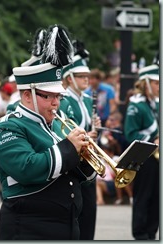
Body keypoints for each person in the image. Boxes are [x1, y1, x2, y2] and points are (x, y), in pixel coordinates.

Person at [0, 24, 97, 240]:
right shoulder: (9, 127)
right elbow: (28, 168)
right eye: (48, 96)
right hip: (29, 226)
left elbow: (78, 175)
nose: (56, 103)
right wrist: (69, 147)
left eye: (58, 97)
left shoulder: (56, 124)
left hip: (67, 224)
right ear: (27, 95)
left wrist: (86, 158)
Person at [62, 52, 101, 240]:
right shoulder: (64, 99)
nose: (87, 80)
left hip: (89, 159)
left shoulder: (86, 99)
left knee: (90, 209)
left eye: (88, 76)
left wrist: (95, 129)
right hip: (75, 160)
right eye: (81, 76)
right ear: (69, 78)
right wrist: (86, 135)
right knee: (80, 209)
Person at [124, 64, 159, 240]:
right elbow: (130, 133)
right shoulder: (136, 105)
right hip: (144, 158)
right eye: (156, 83)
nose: (159, 87)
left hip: (158, 158)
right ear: (146, 83)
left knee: (157, 198)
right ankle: (140, 234)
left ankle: (152, 232)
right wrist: (153, 140)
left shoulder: (158, 104)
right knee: (143, 196)